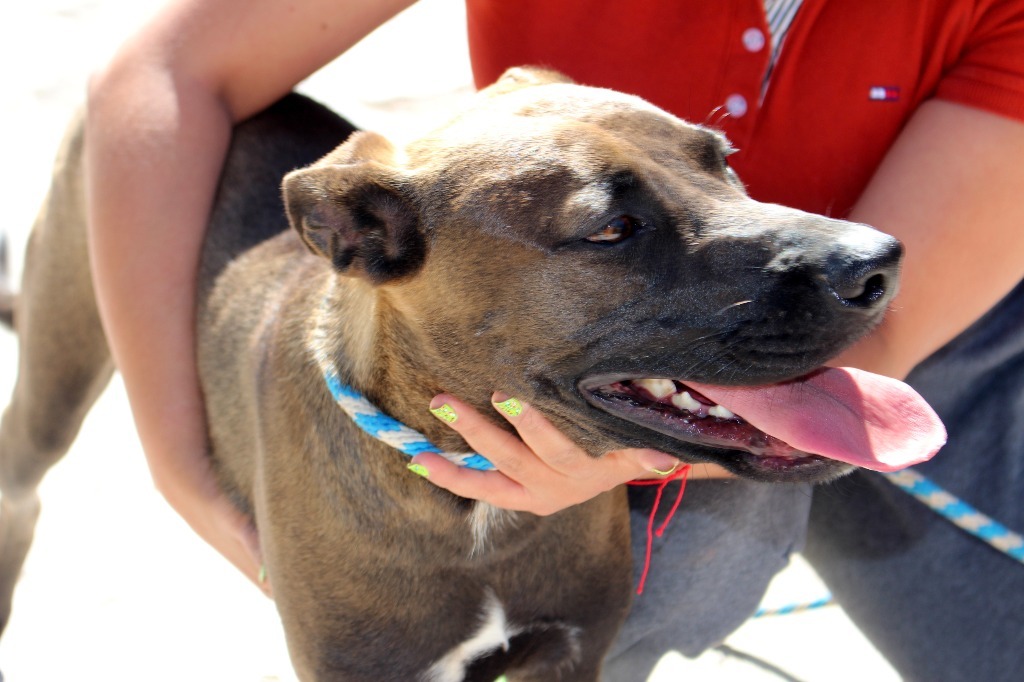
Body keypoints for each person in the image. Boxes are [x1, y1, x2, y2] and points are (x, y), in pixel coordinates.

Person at [85, 0, 1024, 679]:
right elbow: (154, 70)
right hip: (651, 328)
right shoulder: (402, 227)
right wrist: (178, 463)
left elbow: (888, 309)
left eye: (718, 166)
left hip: (939, 328)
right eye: (615, 226)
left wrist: (620, 460)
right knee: (693, 555)